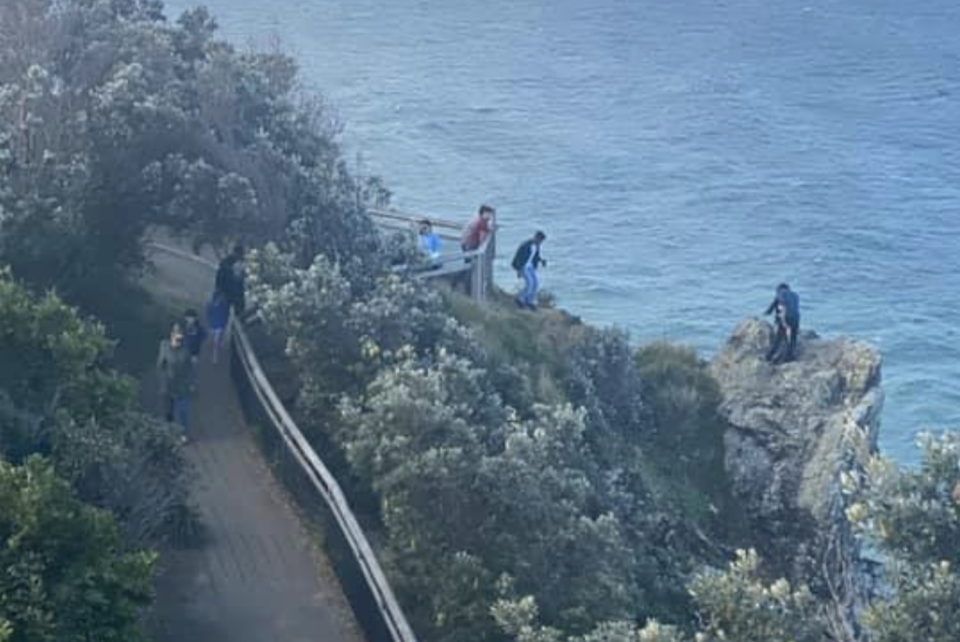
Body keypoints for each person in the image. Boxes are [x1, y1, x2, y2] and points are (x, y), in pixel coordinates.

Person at [156, 322, 195, 442]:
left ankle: (183, 434)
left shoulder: (186, 348)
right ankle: (169, 433)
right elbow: (159, 365)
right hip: (168, 385)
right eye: (176, 332)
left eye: (180, 333)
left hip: (183, 385)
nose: (178, 335)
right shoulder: (164, 345)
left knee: (183, 411)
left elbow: (190, 368)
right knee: (169, 411)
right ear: (171, 334)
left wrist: (192, 383)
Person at [764, 283, 801, 363]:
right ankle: (790, 356)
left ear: (779, 289)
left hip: (786, 317)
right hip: (796, 318)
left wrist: (768, 313)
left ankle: (769, 356)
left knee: (779, 338)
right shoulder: (795, 295)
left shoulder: (781, 293)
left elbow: (774, 306)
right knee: (793, 338)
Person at [511, 231, 547, 310]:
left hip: (530, 267)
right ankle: (520, 299)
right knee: (530, 284)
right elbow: (518, 258)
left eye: (541, 241)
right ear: (536, 237)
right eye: (540, 240)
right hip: (523, 267)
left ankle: (530, 301)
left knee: (535, 284)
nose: (540, 243)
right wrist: (519, 270)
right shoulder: (525, 245)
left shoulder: (537, 246)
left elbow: (535, 256)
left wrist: (541, 261)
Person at [216, 243, 246, 315]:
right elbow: (220, 278)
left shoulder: (241, 263)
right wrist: (219, 291)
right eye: (239, 254)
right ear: (235, 253)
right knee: (223, 311)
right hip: (226, 291)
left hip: (236, 293)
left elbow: (241, 281)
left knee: (239, 312)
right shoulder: (226, 262)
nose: (239, 257)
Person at [206, 289, 230, 364]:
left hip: (219, 326)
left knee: (216, 343)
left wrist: (224, 325)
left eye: (221, 297)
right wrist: (209, 322)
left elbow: (226, 315)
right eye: (219, 297)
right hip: (212, 325)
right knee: (211, 337)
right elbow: (208, 314)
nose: (221, 298)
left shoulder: (224, 305)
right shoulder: (210, 304)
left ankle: (215, 358)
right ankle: (209, 343)